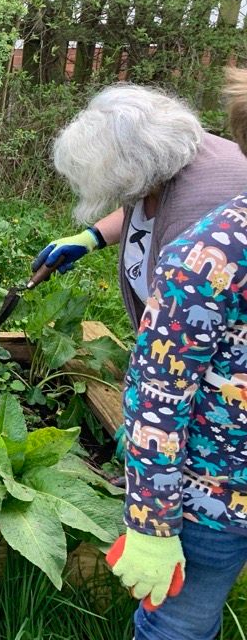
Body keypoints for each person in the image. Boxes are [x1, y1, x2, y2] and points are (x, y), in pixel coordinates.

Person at [42, 74, 247, 640]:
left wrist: (151, 515)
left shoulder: (203, 231)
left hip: (209, 470)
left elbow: (162, 393)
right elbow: (137, 208)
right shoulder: (178, 154)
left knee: (178, 622)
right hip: (224, 473)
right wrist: (89, 238)